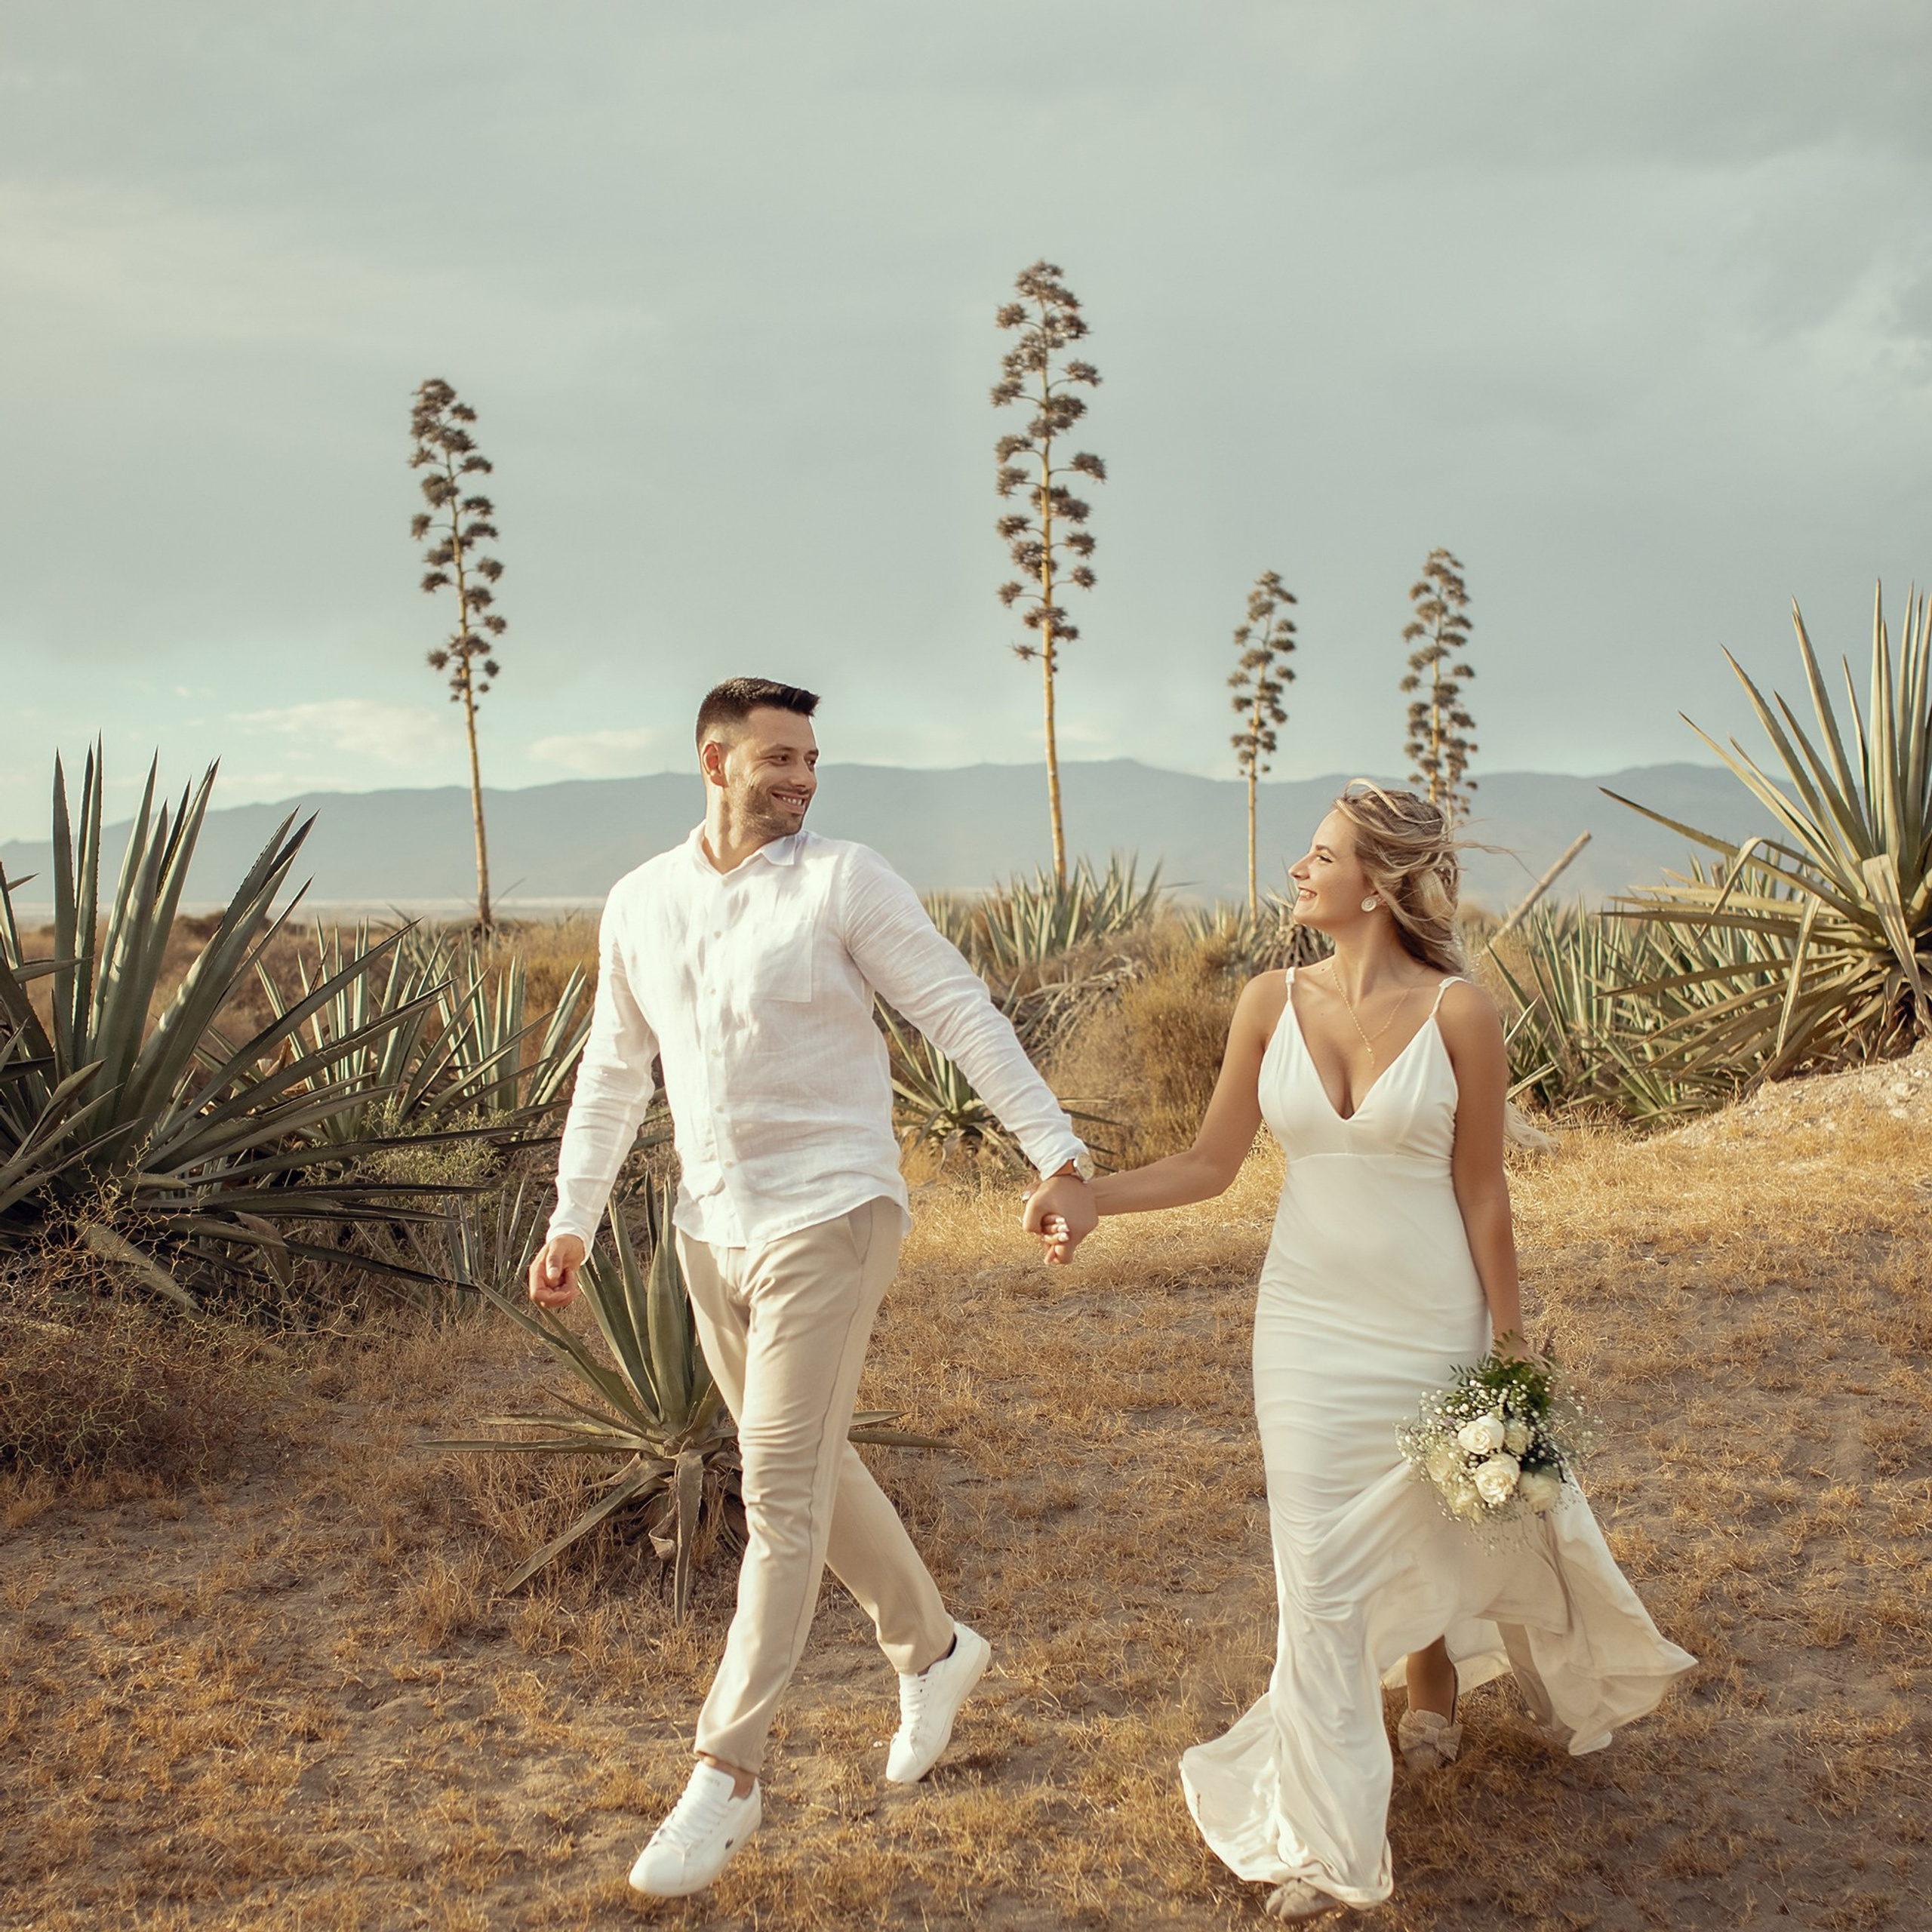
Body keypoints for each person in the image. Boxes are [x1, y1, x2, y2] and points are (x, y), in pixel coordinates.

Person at [1026, 783, 1694, 1921]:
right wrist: (1094, 1201)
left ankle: (1432, 1677)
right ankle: (1332, 1839)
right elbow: (1209, 1163)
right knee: (1320, 1575)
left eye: (1321, 855)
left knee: (1448, 1511)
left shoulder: (1460, 1016)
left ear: (1378, 884)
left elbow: (1485, 1195)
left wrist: (1513, 1350)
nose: (1299, 870)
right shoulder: (1264, 1002)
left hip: (1432, 1322)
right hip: (1306, 1329)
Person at [526, 677, 1096, 1900]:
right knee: (811, 1461)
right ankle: (934, 1653)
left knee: (779, 1488)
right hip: (707, 1227)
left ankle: (726, 1773)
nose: (803, 779)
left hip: (833, 1210)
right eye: (779, 759)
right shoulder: (641, 902)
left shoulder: (844, 880)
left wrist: (1056, 1150)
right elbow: (614, 1075)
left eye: (813, 759)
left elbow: (956, 1011)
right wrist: (573, 1220)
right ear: (715, 761)